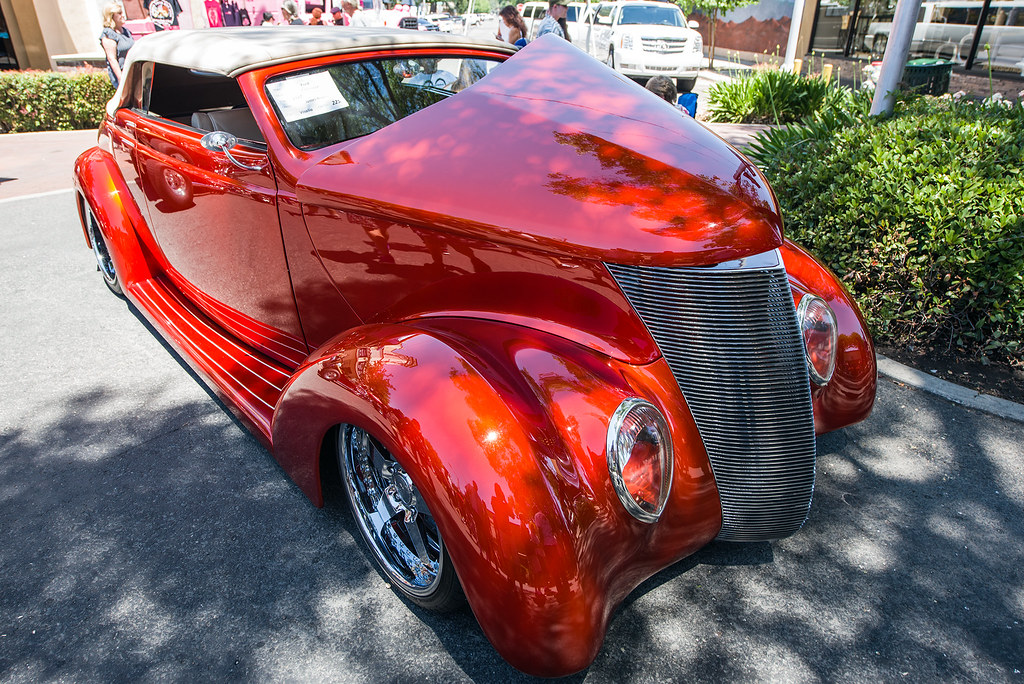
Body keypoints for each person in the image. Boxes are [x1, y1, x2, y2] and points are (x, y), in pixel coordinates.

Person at [99, 3, 134, 88]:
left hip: (133, 72)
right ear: (111, 16)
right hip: (123, 74)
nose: (123, 15)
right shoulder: (109, 34)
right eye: (119, 13)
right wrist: (121, 79)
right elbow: (112, 59)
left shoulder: (125, 31)